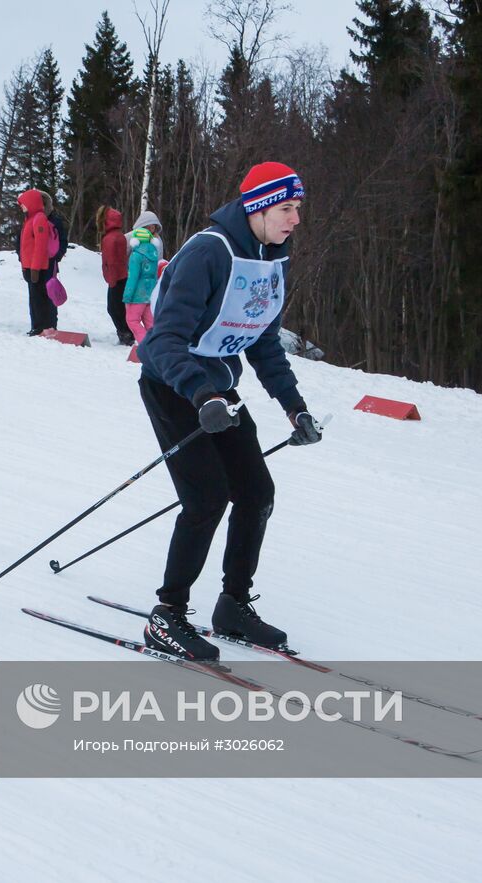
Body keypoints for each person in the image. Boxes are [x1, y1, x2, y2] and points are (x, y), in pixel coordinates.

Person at [136, 161, 323, 660]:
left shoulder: (273, 261)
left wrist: (294, 407)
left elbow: (262, 342)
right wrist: (202, 394)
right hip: (174, 386)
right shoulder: (207, 253)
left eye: (298, 208)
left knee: (257, 492)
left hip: (218, 389)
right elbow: (164, 339)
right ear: (258, 207)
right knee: (206, 499)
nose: (295, 219)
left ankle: (232, 606)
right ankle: (167, 615)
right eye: (287, 208)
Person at [17, 189, 56, 335]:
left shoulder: (39, 218)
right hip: (29, 266)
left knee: (39, 298)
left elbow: (40, 246)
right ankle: (36, 325)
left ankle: (42, 326)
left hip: (37, 267)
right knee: (34, 298)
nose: (22, 206)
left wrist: (35, 268)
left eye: (24, 203)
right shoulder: (29, 219)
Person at [99, 206, 133, 344]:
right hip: (120, 276)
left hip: (116, 278)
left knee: (114, 308)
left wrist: (111, 279)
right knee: (116, 308)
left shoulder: (110, 238)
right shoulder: (117, 235)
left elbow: (112, 261)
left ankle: (125, 333)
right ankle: (125, 333)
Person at [123, 227, 158, 343]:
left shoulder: (135, 256)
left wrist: (127, 296)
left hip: (137, 295)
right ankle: (156, 345)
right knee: (150, 323)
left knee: (132, 320)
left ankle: (145, 346)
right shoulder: (154, 254)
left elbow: (133, 278)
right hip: (150, 293)